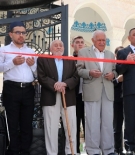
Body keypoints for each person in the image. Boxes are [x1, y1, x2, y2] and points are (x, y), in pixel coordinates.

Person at [77, 30, 117, 155]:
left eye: (103, 40)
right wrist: (89, 73)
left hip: (107, 91)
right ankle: (92, 150)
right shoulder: (83, 52)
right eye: (99, 40)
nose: (101, 42)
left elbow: (115, 71)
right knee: (92, 122)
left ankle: (108, 150)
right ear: (93, 40)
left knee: (107, 122)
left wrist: (113, 75)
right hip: (91, 90)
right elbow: (78, 70)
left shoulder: (110, 54)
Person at [0, 21, 36, 155]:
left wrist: (32, 66)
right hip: (11, 89)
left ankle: (25, 151)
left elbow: (38, 72)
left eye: (23, 33)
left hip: (28, 90)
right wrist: (12, 63)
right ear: (11, 34)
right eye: (18, 32)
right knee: (12, 124)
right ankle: (13, 151)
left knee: (27, 124)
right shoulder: (3, 50)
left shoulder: (31, 51)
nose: (21, 35)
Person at [37, 40, 79, 155]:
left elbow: (75, 77)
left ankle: (71, 152)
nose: (59, 47)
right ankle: (52, 153)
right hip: (50, 96)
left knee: (71, 126)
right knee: (51, 127)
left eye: (61, 45)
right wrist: (55, 84)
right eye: (56, 45)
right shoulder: (43, 59)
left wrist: (64, 84)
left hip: (68, 96)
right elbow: (41, 77)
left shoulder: (70, 61)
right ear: (51, 49)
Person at [71, 35, 85, 154]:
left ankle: (90, 149)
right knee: (74, 125)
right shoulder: (69, 60)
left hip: (88, 97)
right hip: (74, 97)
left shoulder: (90, 59)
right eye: (77, 42)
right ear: (72, 45)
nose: (80, 44)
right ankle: (75, 151)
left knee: (89, 125)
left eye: (82, 42)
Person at [112, 46, 125, 155]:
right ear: (116, 55)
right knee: (117, 126)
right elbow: (107, 83)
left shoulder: (129, 66)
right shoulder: (112, 66)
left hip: (129, 99)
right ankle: (117, 149)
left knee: (130, 124)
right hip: (116, 100)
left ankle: (130, 148)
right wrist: (117, 80)